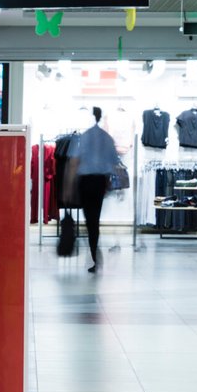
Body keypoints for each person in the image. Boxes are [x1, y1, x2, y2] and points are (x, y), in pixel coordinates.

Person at [69, 106, 120, 274]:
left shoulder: (85, 137)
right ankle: (94, 247)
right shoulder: (107, 138)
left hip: (85, 181)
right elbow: (113, 161)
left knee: (89, 218)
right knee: (94, 218)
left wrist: (68, 185)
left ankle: (94, 250)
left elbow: (75, 161)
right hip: (99, 182)